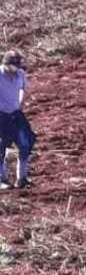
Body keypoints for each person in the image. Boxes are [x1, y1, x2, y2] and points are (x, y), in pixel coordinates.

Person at [0, 50, 35, 190]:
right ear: (7, 65)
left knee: (26, 143)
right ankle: (2, 179)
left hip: (16, 114)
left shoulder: (20, 74)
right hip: (1, 115)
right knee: (0, 147)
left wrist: (19, 102)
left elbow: (22, 88)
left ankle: (22, 178)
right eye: (16, 66)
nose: (18, 70)